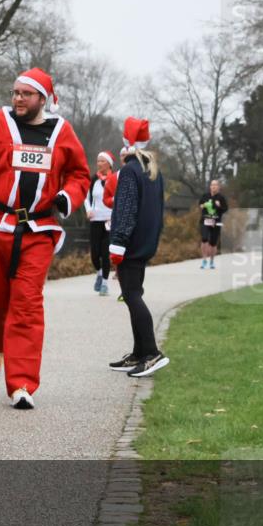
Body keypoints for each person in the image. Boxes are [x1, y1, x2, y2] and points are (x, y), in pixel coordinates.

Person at [0, 67, 90, 409]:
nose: (17, 98)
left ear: (42, 99)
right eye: (15, 92)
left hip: (38, 230)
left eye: (25, 94)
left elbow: (79, 174)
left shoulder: (62, 132)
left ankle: (21, 385)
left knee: (27, 304)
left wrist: (67, 198)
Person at [108, 118, 170, 377]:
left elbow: (125, 211)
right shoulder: (151, 169)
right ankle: (139, 352)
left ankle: (152, 353)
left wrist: (117, 244)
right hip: (145, 243)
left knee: (132, 296)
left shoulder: (130, 171)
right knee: (134, 294)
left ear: (127, 143)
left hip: (130, 245)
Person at [85, 150, 116, 296]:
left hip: (109, 220)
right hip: (95, 219)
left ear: (109, 163)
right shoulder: (94, 180)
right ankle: (99, 272)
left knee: (105, 252)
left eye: (102, 161)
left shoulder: (116, 179)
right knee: (95, 254)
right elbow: (87, 197)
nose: (99, 164)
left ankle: (104, 284)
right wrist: (89, 209)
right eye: (98, 161)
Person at [199, 179, 228, 269]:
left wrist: (219, 206)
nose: (213, 186)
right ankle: (204, 260)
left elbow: (225, 209)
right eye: (212, 185)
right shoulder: (205, 196)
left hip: (216, 222)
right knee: (204, 239)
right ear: (210, 186)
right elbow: (200, 205)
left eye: (215, 185)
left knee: (213, 243)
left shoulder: (221, 198)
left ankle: (211, 261)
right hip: (205, 220)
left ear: (218, 187)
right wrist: (202, 205)